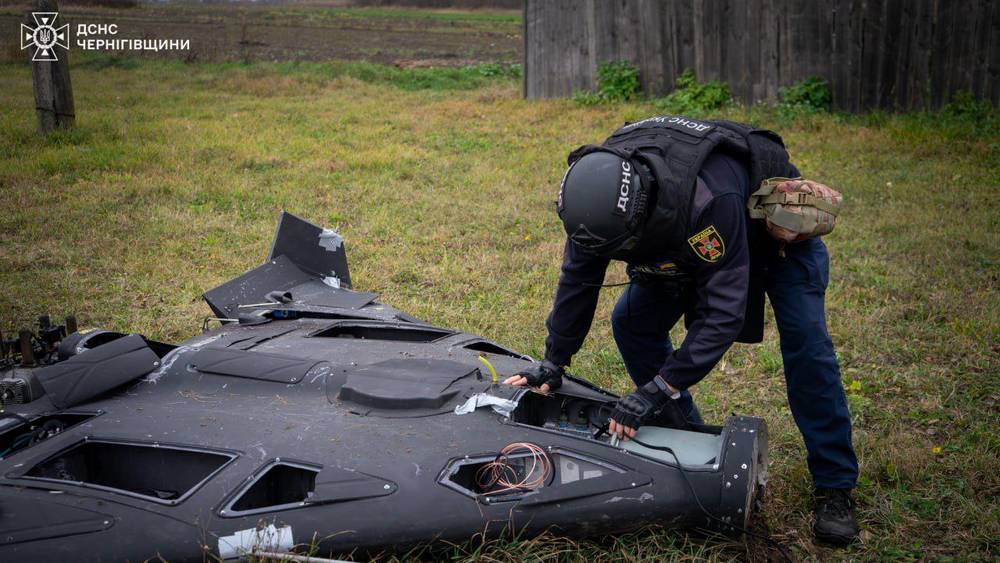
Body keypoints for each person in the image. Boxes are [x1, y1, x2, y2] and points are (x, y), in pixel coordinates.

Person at [503, 115, 860, 545]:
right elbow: (578, 281)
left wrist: (658, 388)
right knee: (632, 322)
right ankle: (688, 440)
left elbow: (724, 315)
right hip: (683, 239)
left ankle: (835, 486)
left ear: (639, 219)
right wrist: (554, 360)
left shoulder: (706, 201)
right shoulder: (594, 203)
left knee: (808, 347)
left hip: (769, 235)